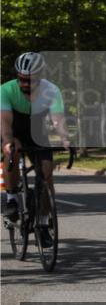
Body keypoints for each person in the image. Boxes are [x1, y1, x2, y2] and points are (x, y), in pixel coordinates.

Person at [1, 52, 72, 230]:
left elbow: (57, 119)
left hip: (37, 133)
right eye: (22, 79)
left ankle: (42, 222)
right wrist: (8, 142)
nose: (25, 84)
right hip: (13, 131)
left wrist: (65, 139)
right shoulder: (6, 90)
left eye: (30, 80)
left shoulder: (51, 90)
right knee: (12, 151)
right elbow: (5, 123)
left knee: (47, 174)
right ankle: (12, 200)